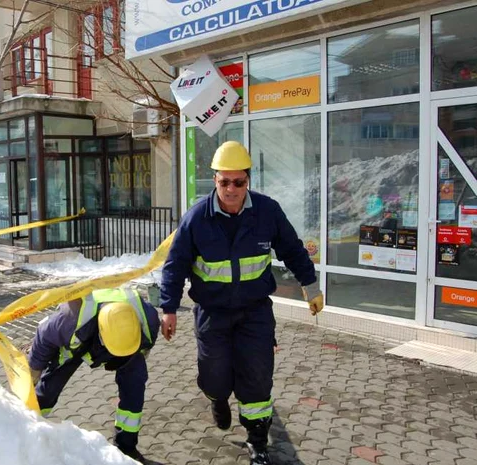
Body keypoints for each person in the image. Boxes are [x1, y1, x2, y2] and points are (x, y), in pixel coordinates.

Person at [158, 141, 323, 465]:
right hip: (212, 313)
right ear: (215, 180)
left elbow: (292, 248)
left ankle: (258, 441)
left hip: (255, 312)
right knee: (215, 376)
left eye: (239, 182)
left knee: (257, 376)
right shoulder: (197, 219)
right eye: (224, 182)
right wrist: (168, 309)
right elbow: (174, 266)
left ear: (248, 181)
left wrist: (311, 287)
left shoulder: (267, 211)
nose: (231, 189)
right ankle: (218, 398)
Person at [28, 287, 160, 464]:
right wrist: (33, 371)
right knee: (49, 386)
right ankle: (28, 429)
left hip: (130, 345)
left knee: (134, 383)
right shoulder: (69, 320)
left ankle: (127, 448)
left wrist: (131, 355)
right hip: (80, 339)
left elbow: (144, 348)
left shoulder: (148, 321)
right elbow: (43, 340)